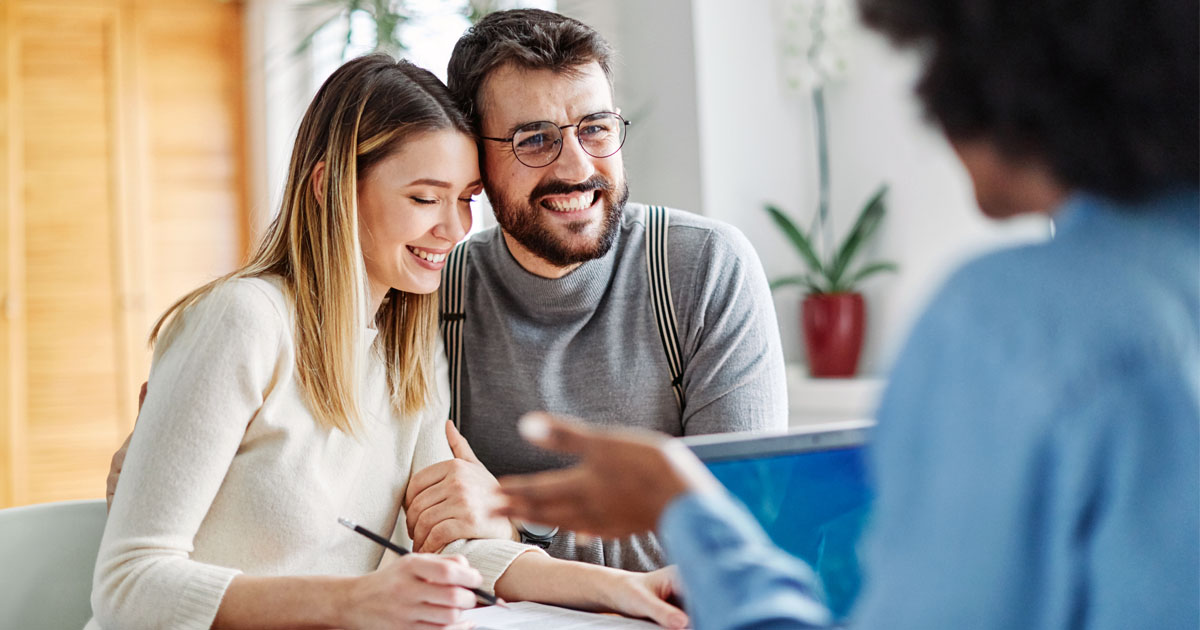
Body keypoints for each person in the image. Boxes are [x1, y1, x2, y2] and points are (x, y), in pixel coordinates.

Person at [493, 0, 1200, 628]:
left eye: (934, 66)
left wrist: (686, 507)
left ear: (1002, 80)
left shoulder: (1017, 323)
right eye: (532, 138)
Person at [90, 54, 689, 630]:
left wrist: (621, 589)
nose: (454, 230)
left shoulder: (407, 345)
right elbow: (128, 585)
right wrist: (352, 602)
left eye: (465, 201)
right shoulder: (245, 320)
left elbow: (461, 546)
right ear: (330, 187)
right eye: (425, 198)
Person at [399, 8, 788, 573]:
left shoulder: (703, 267)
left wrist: (520, 527)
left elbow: (742, 528)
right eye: (534, 139)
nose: (578, 166)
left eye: (596, 128)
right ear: (474, 160)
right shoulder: (436, 290)